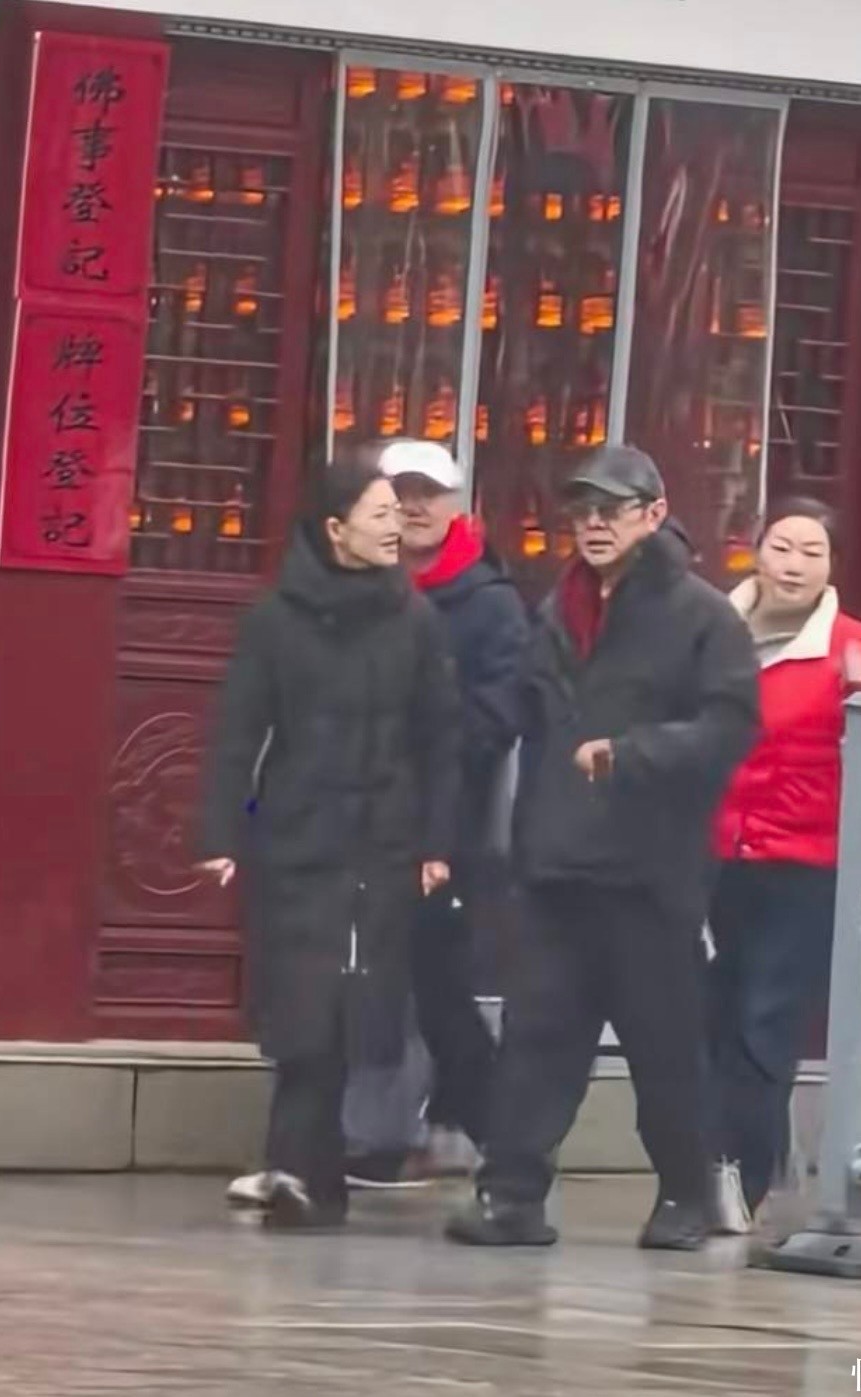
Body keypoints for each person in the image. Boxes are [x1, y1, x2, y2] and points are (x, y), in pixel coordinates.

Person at [445, 445, 760, 1252]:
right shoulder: (560, 606)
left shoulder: (703, 616)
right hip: (555, 861)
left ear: (654, 514)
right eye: (582, 510)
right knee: (537, 1036)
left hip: (649, 868)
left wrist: (633, 754)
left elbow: (729, 727)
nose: (593, 524)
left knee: (663, 1043)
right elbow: (518, 708)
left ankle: (685, 1194)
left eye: (611, 509)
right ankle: (511, 1196)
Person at [198, 455, 461, 1230]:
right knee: (302, 1004)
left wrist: (437, 841)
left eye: (397, 512)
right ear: (336, 528)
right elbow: (238, 732)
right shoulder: (275, 619)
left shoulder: (415, 619)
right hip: (298, 838)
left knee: (351, 1005)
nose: (396, 525)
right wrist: (220, 830)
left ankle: (308, 1176)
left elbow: (441, 739)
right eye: (380, 512)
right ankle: (298, 1170)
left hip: (383, 842)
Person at [709, 498, 861, 1232]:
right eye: (782, 546)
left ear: (832, 566)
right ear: (756, 550)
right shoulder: (715, 629)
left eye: (812, 552)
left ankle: (744, 1176)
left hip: (805, 862)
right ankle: (717, 1166)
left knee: (766, 1017)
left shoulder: (852, 646)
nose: (793, 564)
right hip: (715, 854)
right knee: (711, 1014)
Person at [381, 439, 530, 1169]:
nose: (415, 508)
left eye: (429, 494)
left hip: (450, 824)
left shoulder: (490, 603)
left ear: (457, 507)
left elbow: (500, 711)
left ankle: (492, 1126)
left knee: (436, 979)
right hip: (355, 813)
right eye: (401, 493)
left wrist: (423, 750)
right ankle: (370, 1131)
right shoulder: (349, 584)